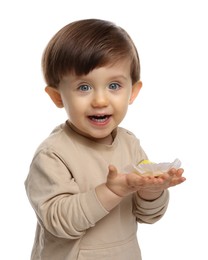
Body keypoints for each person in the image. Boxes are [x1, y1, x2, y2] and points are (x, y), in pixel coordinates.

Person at [25, 19, 186, 260]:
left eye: (113, 85)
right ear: (58, 97)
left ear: (132, 91)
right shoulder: (53, 153)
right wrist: (112, 191)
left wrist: (150, 191)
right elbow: (57, 221)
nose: (100, 100)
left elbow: (148, 215)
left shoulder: (130, 144)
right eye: (83, 87)